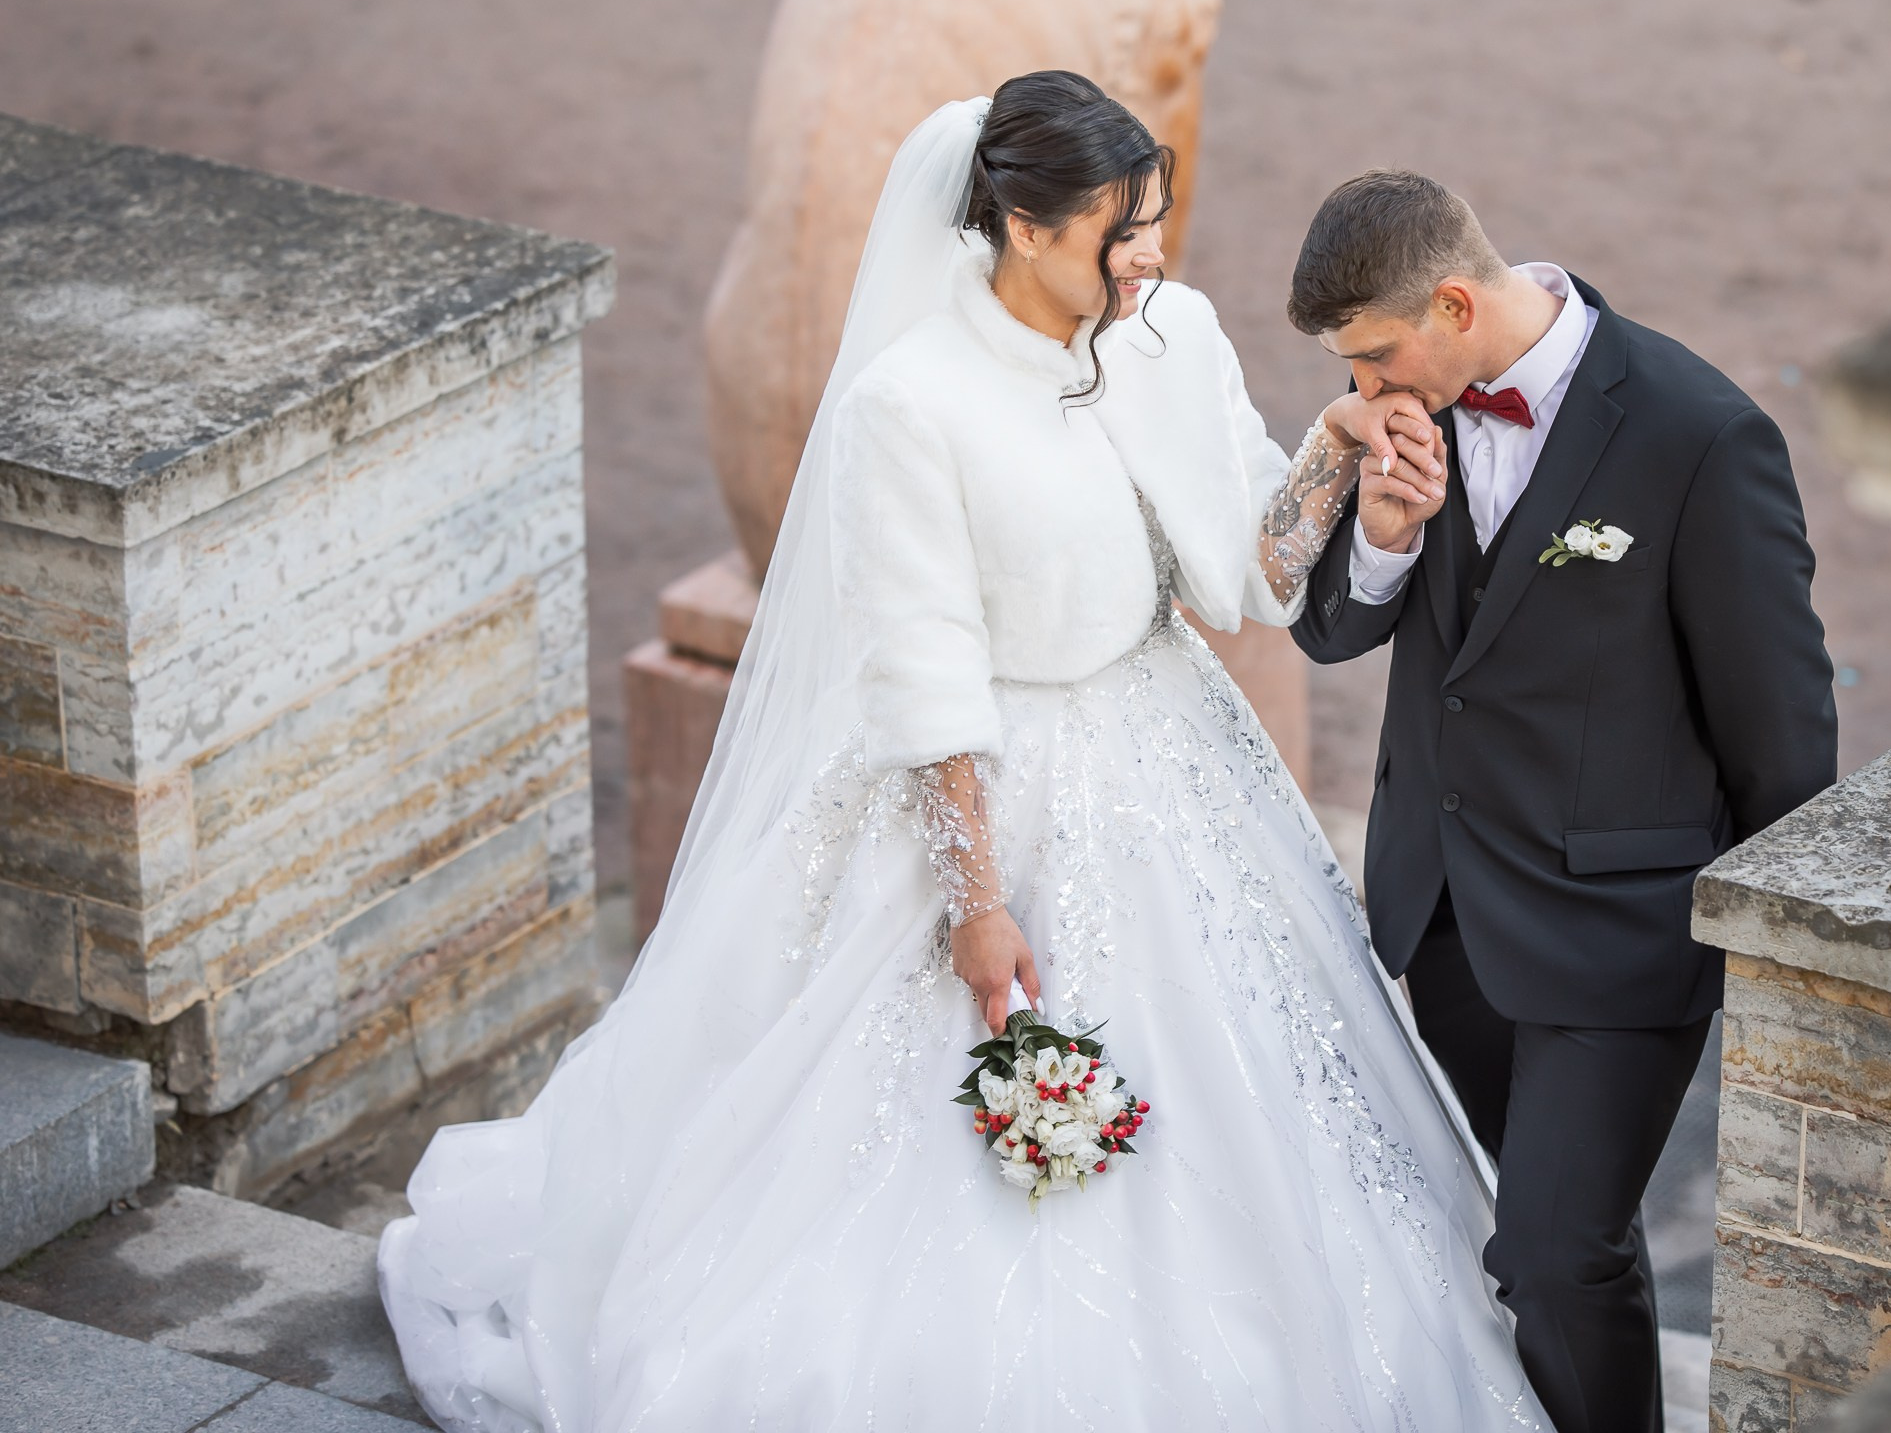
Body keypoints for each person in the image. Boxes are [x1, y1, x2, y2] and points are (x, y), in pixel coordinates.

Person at [376, 75, 1552, 1431]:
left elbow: (1255, 573)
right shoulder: (909, 406)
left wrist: (1337, 450)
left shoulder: (1175, 333)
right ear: (1018, 225)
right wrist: (978, 906)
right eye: (1118, 230)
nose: (1148, 254)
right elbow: (924, 673)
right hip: (984, 788)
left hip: (1172, 755)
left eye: (1154, 220)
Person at [1287, 171, 1838, 1433]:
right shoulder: (1401, 422)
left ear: (1455, 301)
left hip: (1620, 934)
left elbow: (1782, 727)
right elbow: (1326, 629)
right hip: (1450, 917)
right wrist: (1380, 529)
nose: (1363, 392)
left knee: (1548, 1251)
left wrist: (1784, 965)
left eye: (1377, 357)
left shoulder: (1699, 436)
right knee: (1565, 1247)